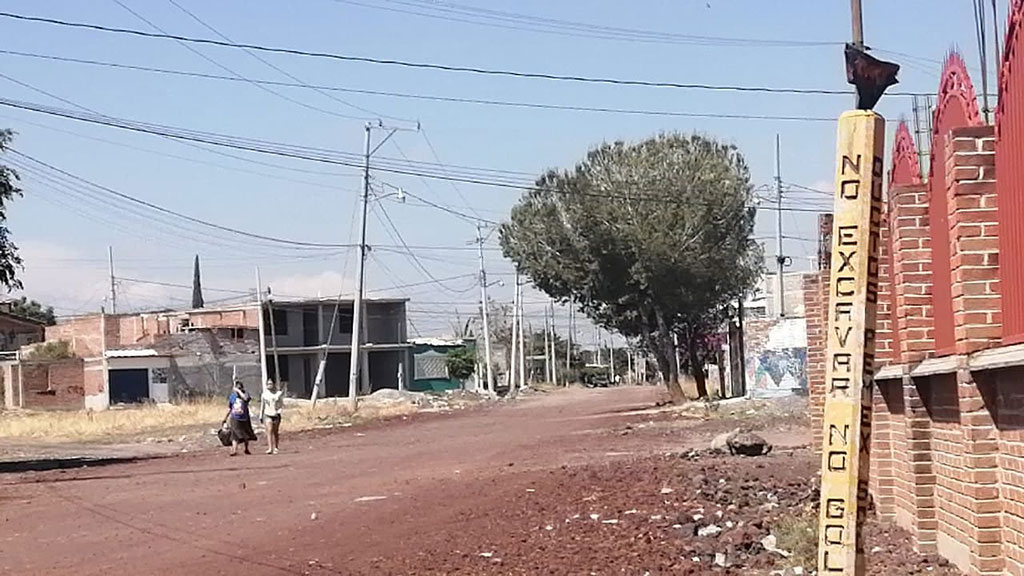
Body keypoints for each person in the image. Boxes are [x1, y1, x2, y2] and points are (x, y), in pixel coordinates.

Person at [225, 381, 256, 456]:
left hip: (244, 418)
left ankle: (246, 448)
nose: (238, 388)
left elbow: (245, 399)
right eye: (237, 387)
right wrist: (225, 418)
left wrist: (239, 391)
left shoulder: (245, 394)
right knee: (234, 434)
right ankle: (234, 450)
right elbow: (230, 408)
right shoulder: (232, 396)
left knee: (245, 434)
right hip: (234, 417)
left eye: (240, 387)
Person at [260, 379, 285, 455]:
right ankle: (270, 448)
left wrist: (279, 410)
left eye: (271, 384)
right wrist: (260, 415)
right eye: (268, 384)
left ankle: (276, 447)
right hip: (267, 414)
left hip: (276, 414)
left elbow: (281, 403)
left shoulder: (278, 394)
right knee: (269, 430)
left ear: (274, 384)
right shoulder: (264, 395)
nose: (269, 385)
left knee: (275, 431)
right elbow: (262, 405)